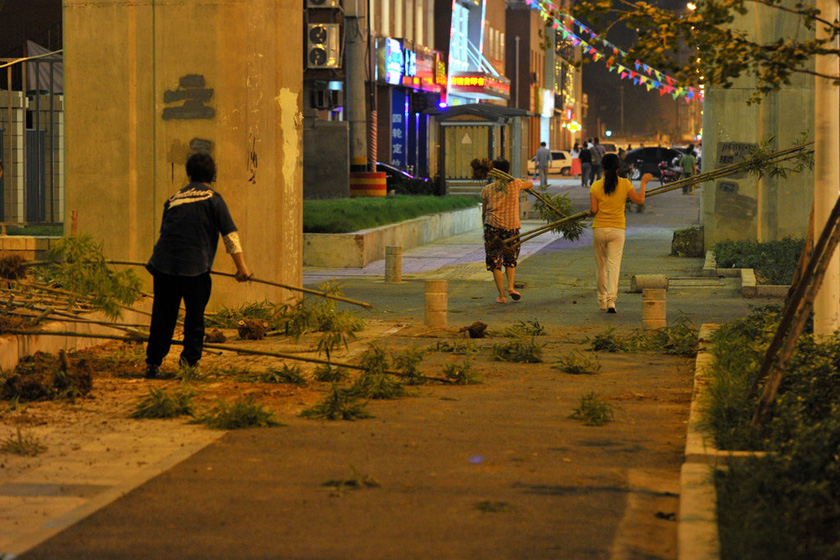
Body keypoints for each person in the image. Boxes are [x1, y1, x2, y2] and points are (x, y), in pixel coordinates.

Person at [144, 152, 251, 378]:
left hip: (163, 266)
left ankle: (153, 363)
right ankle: (189, 365)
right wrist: (242, 269)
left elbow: (165, 233)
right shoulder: (214, 199)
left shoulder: (173, 199)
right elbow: (230, 235)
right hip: (195, 269)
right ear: (212, 174)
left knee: (163, 316)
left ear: (189, 173)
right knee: (195, 317)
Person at [588, 153, 653, 313]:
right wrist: (643, 183)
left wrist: (590, 213)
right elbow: (640, 200)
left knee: (601, 267)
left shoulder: (595, 186)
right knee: (614, 266)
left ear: (602, 168)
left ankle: (602, 301)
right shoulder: (625, 184)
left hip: (599, 229)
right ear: (618, 168)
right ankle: (611, 301)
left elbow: (594, 210)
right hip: (617, 230)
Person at [479, 158, 532, 303]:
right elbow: (530, 184)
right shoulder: (515, 184)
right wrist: (515, 179)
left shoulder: (487, 189)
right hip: (511, 227)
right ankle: (510, 287)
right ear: (508, 171)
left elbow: (484, 211)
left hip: (492, 227)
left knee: (495, 260)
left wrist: (484, 225)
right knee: (510, 258)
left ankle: (502, 295)